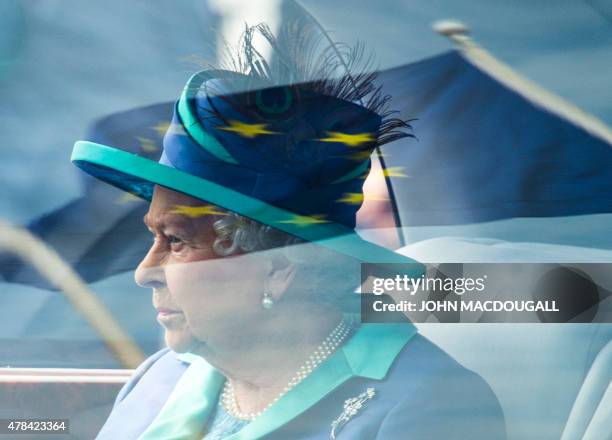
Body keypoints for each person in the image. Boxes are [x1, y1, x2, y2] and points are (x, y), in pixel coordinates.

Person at [71, 21, 506, 440]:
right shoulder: (160, 377)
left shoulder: (429, 404)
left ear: (277, 267)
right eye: (156, 239)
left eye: (178, 241)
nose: (144, 272)